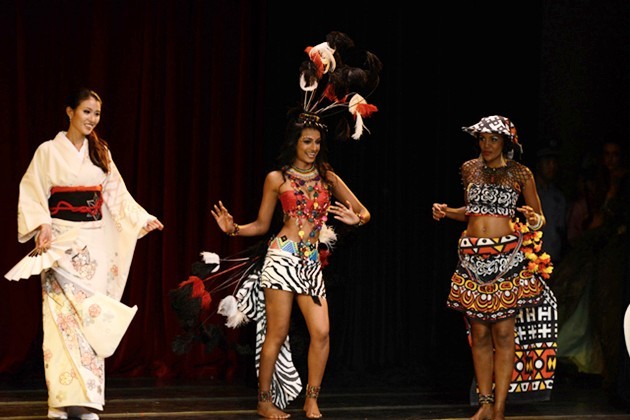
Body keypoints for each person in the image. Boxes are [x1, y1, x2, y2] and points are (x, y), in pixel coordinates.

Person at [12, 88, 164, 420]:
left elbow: (116, 195)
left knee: (90, 320)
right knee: (59, 322)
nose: (92, 119)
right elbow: (33, 193)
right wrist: (41, 226)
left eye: (96, 113)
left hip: (93, 247)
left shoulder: (100, 151)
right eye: (86, 111)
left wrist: (141, 217)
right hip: (59, 243)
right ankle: (59, 402)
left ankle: (87, 401)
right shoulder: (48, 152)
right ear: (70, 111)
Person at [211, 111, 369, 419]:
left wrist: (356, 220)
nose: (312, 148)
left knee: (321, 332)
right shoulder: (277, 178)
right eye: (307, 141)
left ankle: (312, 399)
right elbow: (260, 225)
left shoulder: (327, 176)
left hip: (310, 263)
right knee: (277, 333)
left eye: (317, 142)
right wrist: (233, 229)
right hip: (281, 258)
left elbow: (364, 212)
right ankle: (264, 401)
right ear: (294, 142)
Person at [432, 115, 557, 420]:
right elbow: (471, 212)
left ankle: (500, 407)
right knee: (479, 333)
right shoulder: (469, 169)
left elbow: (539, 218)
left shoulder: (521, 173)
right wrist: (447, 211)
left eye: (493, 139)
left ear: (506, 142)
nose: (486, 145)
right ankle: (485, 403)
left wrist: (531, 218)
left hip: (506, 260)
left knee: (503, 333)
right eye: (482, 139)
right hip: (473, 259)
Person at [534, 147, 567, 263]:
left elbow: (560, 233)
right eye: (548, 161)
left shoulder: (558, 197)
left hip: (553, 262)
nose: (552, 166)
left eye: (554, 162)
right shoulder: (526, 195)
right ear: (539, 164)